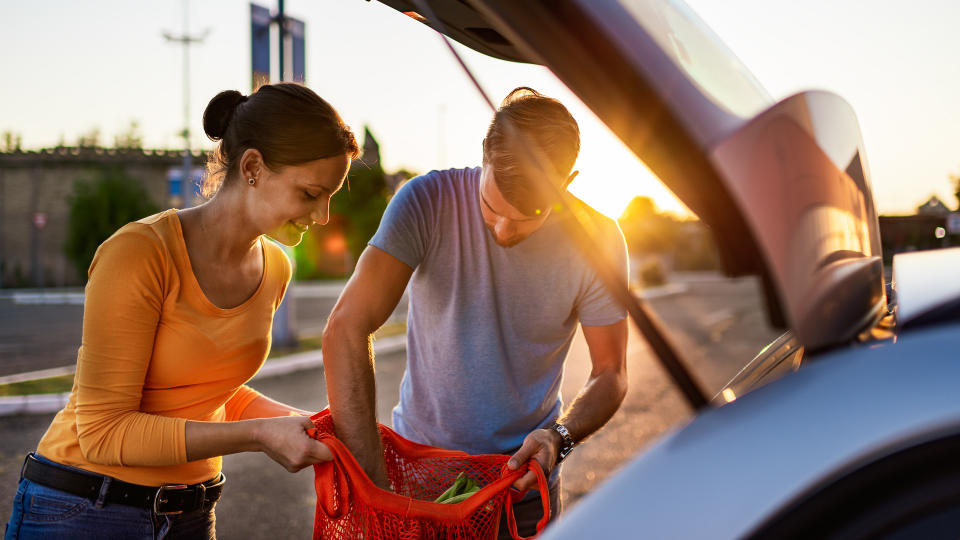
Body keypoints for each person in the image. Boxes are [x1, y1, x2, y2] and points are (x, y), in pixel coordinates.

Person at [4, 82, 359, 540]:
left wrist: (308, 426)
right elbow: (103, 432)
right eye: (311, 193)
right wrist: (260, 436)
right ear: (252, 167)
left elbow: (209, 393)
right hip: (84, 510)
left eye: (330, 196)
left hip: (191, 516)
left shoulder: (275, 268)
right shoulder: (140, 252)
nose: (324, 215)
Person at [321, 87, 629, 538]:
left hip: (519, 490)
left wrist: (559, 438)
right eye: (491, 208)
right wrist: (375, 486)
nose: (504, 230)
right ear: (483, 153)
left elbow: (611, 372)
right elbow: (346, 328)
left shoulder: (599, 240)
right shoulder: (425, 200)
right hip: (417, 484)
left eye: (528, 216)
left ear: (568, 179)